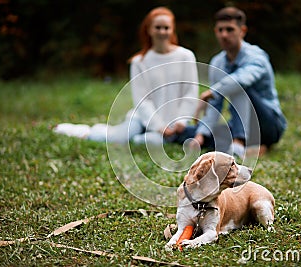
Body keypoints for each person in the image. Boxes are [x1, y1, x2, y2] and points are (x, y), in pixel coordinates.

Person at [54, 7, 199, 145]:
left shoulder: (186, 56)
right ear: (149, 30)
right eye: (157, 27)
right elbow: (142, 100)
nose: (162, 32)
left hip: (174, 125)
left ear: (172, 29)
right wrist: (158, 126)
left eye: (166, 28)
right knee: (119, 138)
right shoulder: (139, 62)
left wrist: (181, 121)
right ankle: (75, 130)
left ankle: (139, 138)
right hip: (141, 118)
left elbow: (190, 92)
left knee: (150, 142)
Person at [190, 6, 286, 157]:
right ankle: (253, 148)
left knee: (237, 84)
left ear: (242, 31)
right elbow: (215, 103)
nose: (224, 35)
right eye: (220, 30)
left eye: (230, 29)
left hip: (268, 125)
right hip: (240, 122)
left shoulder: (256, 56)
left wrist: (211, 91)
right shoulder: (217, 62)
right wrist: (200, 134)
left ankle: (239, 141)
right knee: (202, 134)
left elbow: (241, 80)